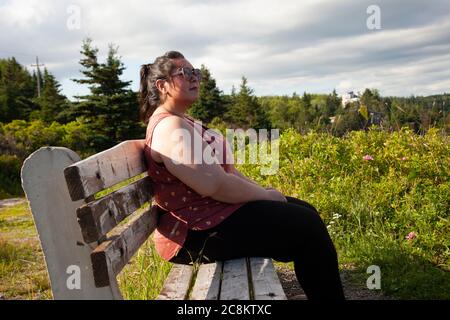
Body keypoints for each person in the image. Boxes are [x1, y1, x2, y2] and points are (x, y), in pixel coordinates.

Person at [139, 51, 345, 300]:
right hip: (194, 235)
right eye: (185, 73)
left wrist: (265, 194)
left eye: (197, 73)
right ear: (162, 85)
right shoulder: (170, 127)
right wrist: (266, 197)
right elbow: (215, 185)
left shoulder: (183, 121)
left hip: (212, 217)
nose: (195, 78)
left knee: (305, 212)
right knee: (306, 226)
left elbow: (228, 173)